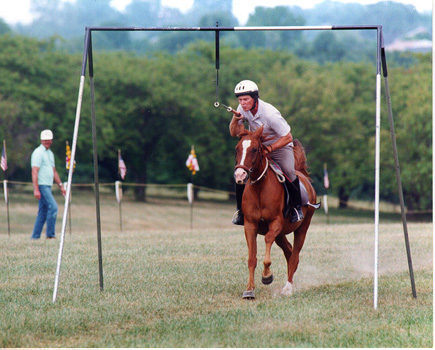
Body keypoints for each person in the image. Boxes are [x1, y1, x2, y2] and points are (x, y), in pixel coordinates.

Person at [229, 80, 304, 225]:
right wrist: (235, 119)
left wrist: (269, 149)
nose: (243, 103)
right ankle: (240, 212)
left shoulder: (270, 114)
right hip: (257, 148)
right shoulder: (241, 108)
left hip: (280, 146)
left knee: (288, 171)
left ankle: (297, 208)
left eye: (246, 99)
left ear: (254, 98)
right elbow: (234, 133)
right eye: (240, 100)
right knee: (241, 171)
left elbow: (288, 137)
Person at [30, 129, 66, 239]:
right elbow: (34, 171)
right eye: (45, 140)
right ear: (41, 140)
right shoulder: (38, 153)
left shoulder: (50, 154)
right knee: (53, 208)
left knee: (43, 212)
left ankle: (35, 237)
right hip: (42, 185)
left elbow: (54, 171)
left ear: (51, 140)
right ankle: (50, 235)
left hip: (48, 185)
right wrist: (36, 189)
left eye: (49, 140)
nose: (47, 142)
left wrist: (60, 185)